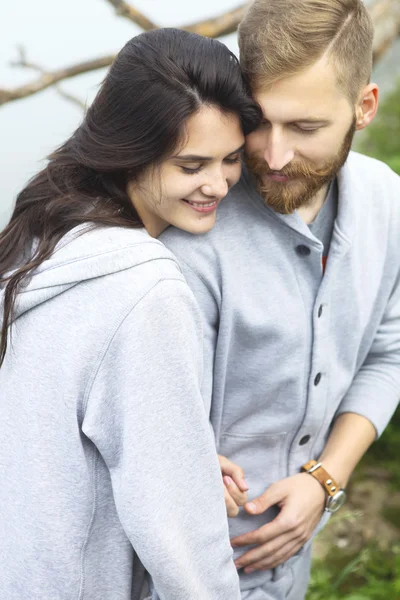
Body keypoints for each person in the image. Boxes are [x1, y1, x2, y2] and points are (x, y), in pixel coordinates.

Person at [0, 28, 262, 600]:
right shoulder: (146, 289)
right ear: (130, 149)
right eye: (191, 164)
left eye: (233, 159)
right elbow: (181, 538)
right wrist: (177, 479)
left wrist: (178, 451)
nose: (217, 183)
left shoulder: (41, 235)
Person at [160, 2, 400, 599]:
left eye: (306, 128)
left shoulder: (389, 203)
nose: (273, 155)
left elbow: (389, 355)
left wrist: (327, 476)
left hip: (289, 570)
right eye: (258, 120)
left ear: (365, 106)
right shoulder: (188, 228)